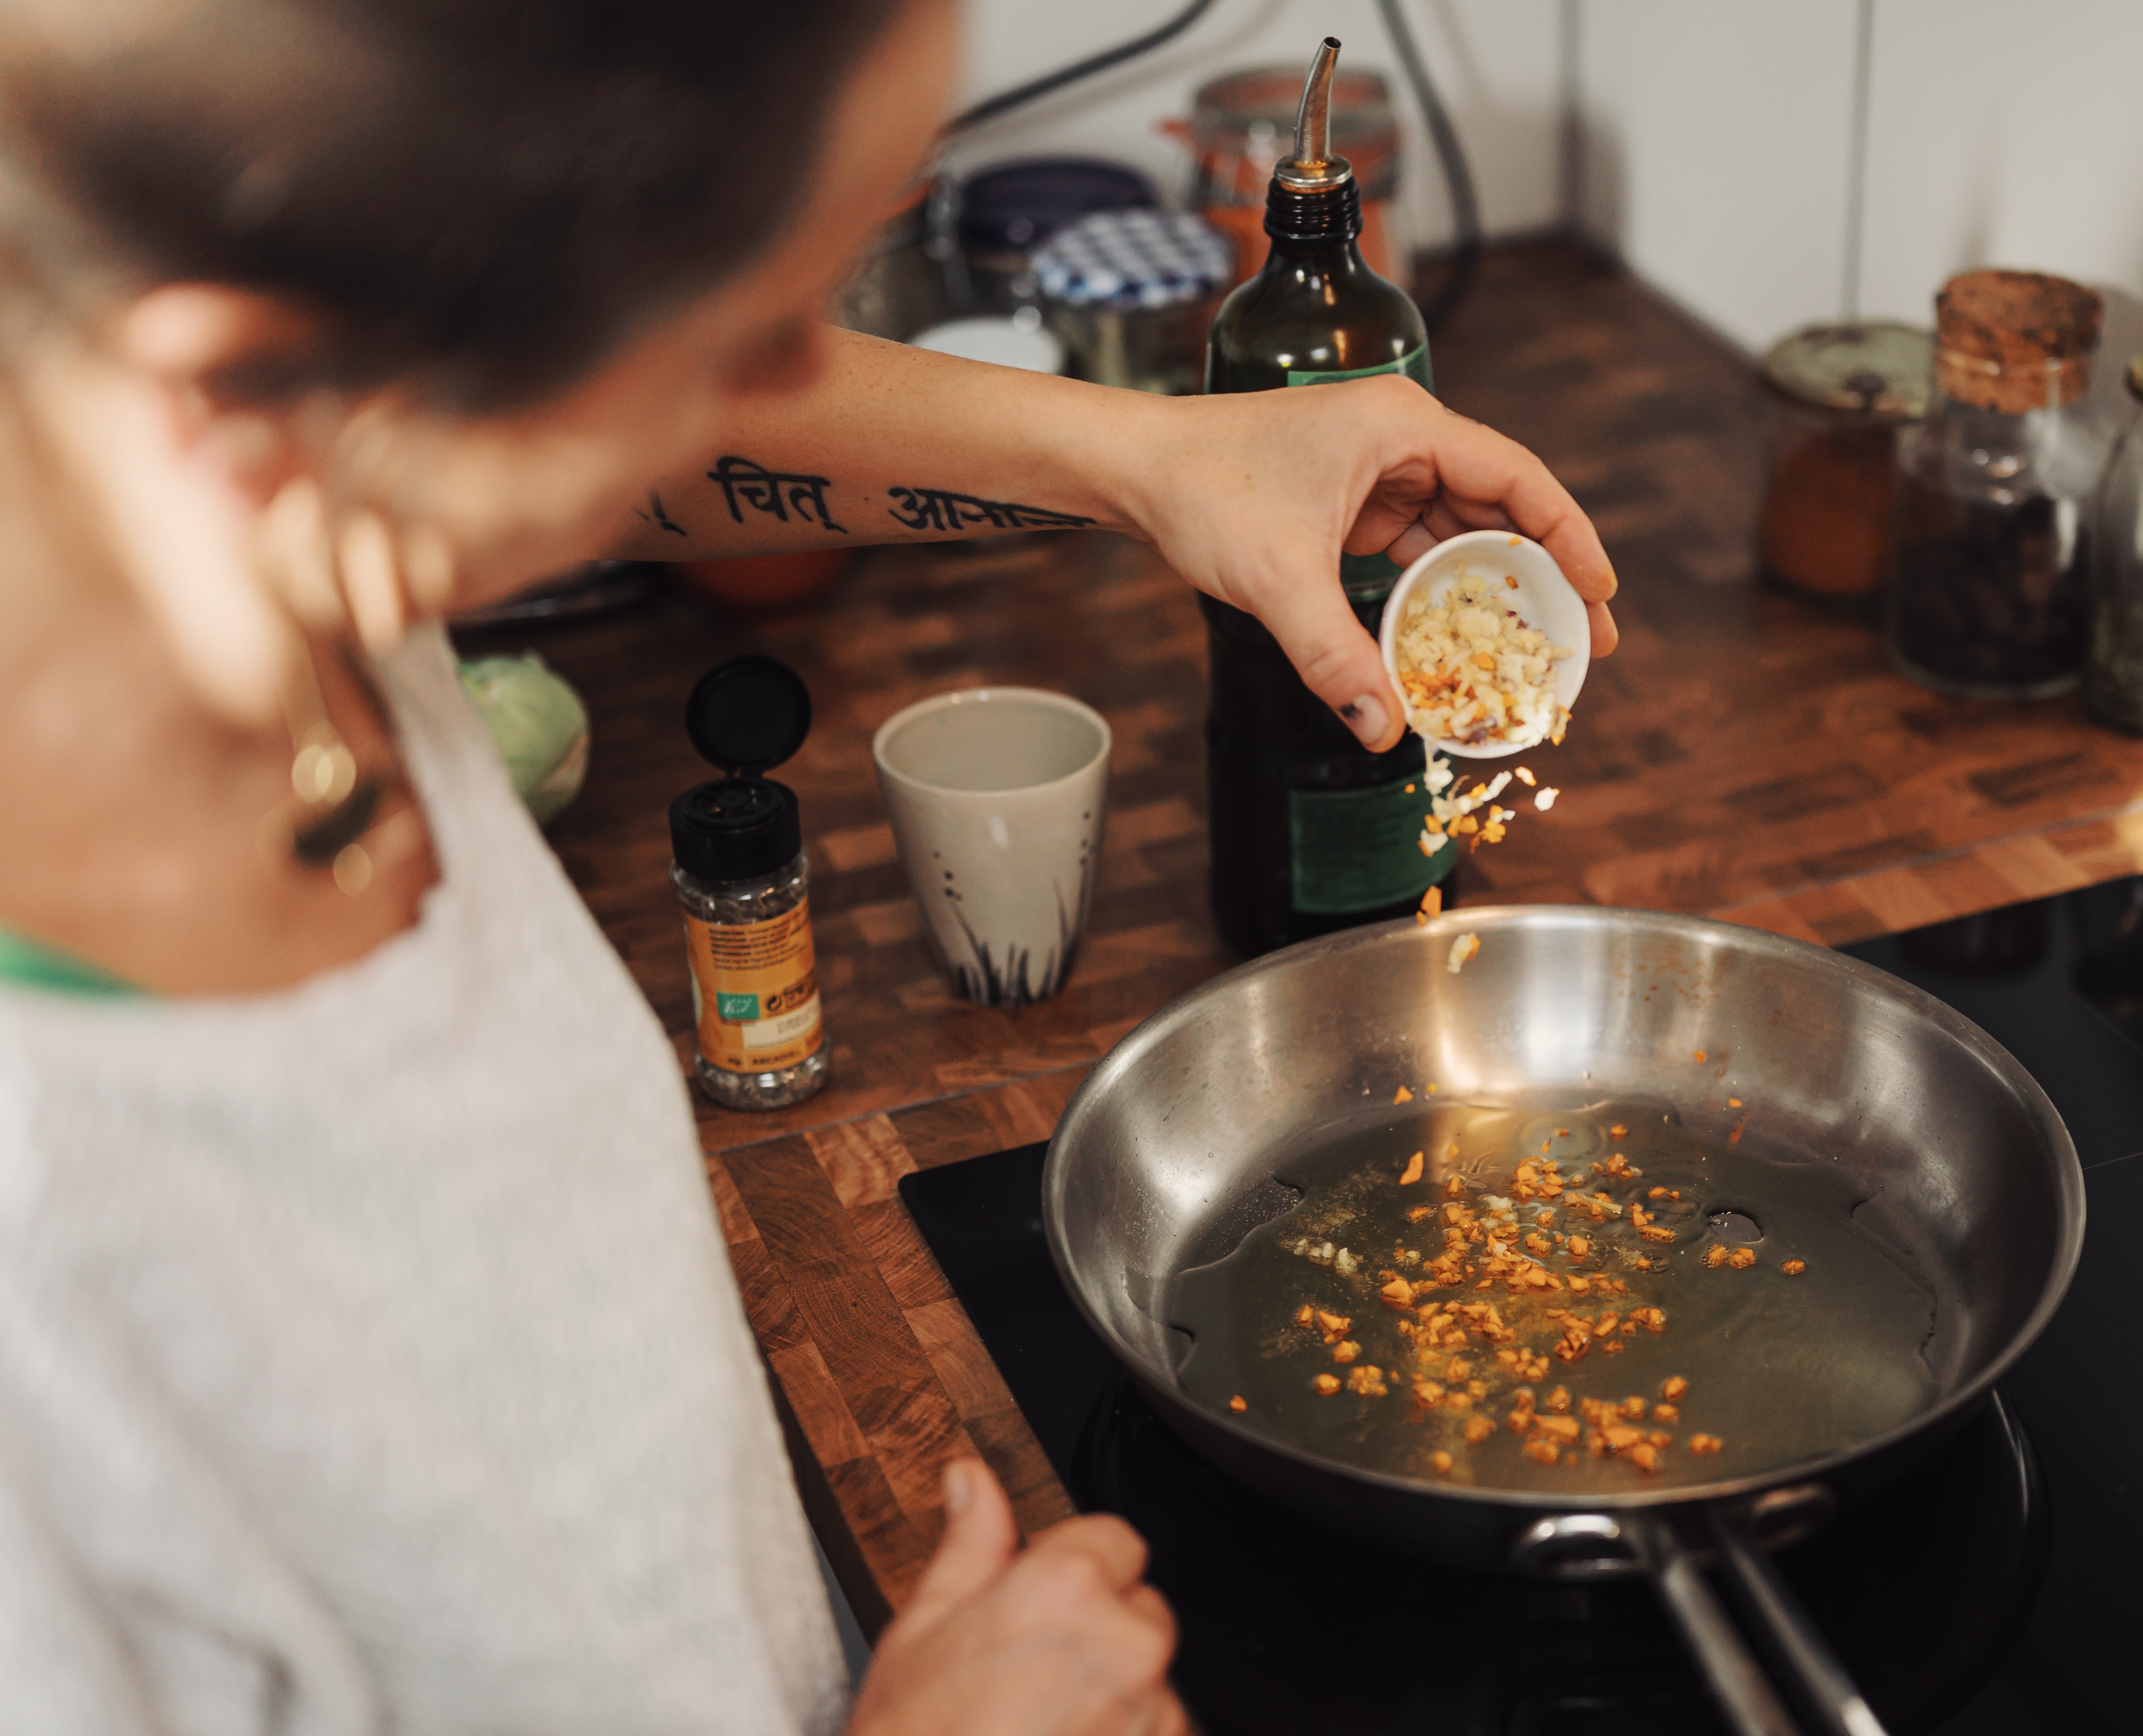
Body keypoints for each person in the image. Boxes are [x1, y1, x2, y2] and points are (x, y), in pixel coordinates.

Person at [0, 0, 1618, 1731]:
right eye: (753, 327)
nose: (788, 397)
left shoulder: (254, 554)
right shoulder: (53, 1256)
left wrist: (1162, 458)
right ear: (249, 388)